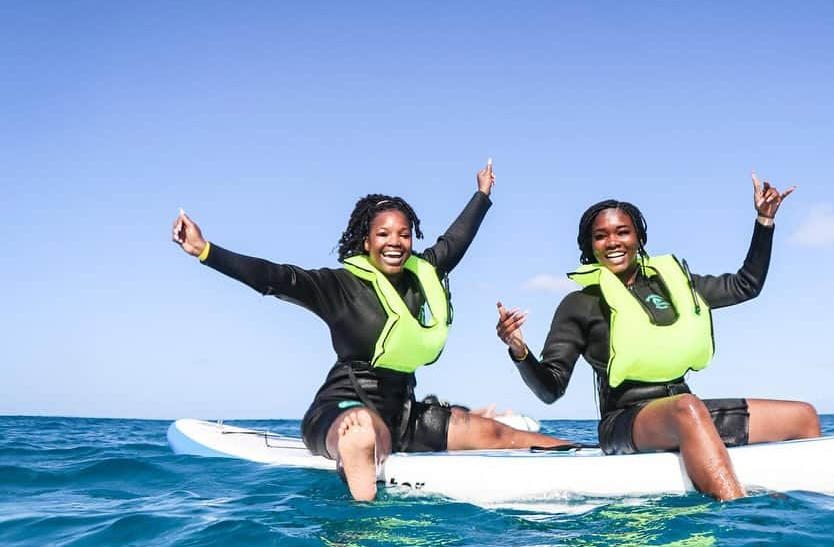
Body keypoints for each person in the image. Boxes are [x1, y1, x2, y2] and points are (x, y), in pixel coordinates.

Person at [173, 162, 570, 501]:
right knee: (362, 435)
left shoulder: (422, 276)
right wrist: (206, 251)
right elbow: (277, 278)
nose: (395, 242)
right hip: (343, 410)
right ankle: (369, 543)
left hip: (405, 415)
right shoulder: (339, 286)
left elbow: (457, 240)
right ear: (367, 241)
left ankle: (595, 451)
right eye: (383, 234)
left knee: (506, 435)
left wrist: (482, 194)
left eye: (403, 234)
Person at [495, 172, 821, 501]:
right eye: (601, 236)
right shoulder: (579, 304)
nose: (613, 242)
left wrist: (764, 222)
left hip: (684, 412)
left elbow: (744, 285)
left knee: (802, 416)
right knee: (688, 408)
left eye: (623, 232)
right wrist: (520, 351)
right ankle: (738, 513)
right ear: (589, 245)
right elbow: (551, 389)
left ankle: (810, 522)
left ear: (639, 239)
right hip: (624, 422)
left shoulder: (673, 285)